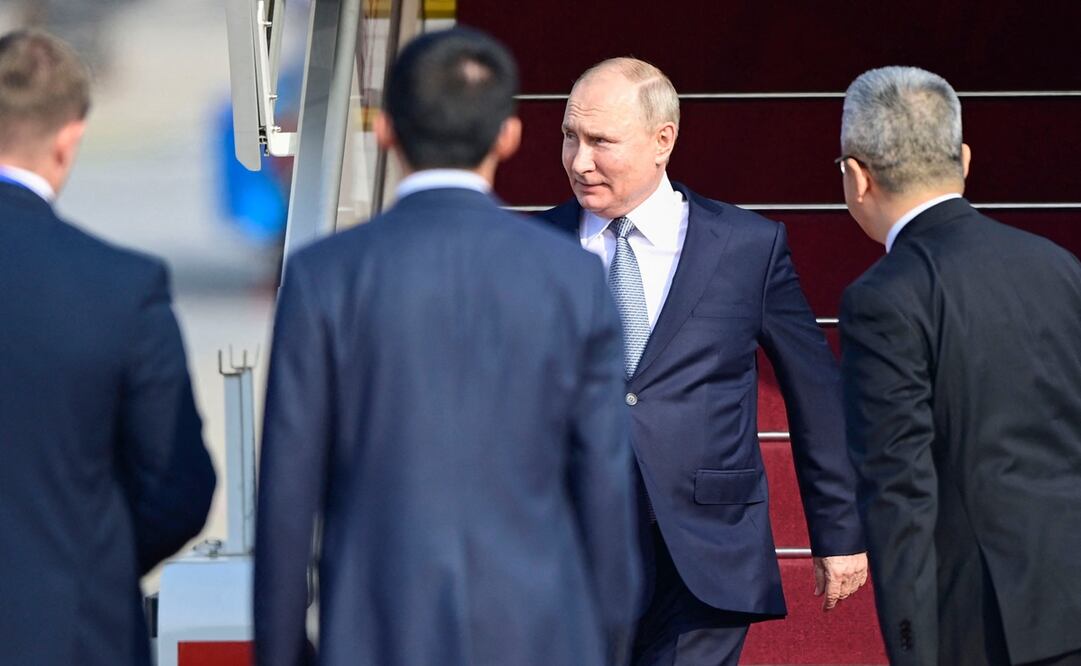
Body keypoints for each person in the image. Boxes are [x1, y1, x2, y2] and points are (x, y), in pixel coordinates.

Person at [253, 28, 641, 666]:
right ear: (508, 136)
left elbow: (288, 493)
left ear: (386, 131)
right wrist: (608, 639)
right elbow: (603, 482)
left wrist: (280, 650)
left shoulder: (326, 275)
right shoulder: (570, 276)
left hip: (375, 632)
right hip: (538, 632)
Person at [539, 57, 868, 665]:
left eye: (601, 141)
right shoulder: (530, 249)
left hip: (705, 550)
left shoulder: (746, 246)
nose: (579, 161)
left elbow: (815, 391)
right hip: (565, 554)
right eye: (569, 136)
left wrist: (839, 531)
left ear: (663, 140)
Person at [838, 66, 1081, 666]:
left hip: (983, 627)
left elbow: (899, 494)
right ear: (964, 159)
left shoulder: (884, 297)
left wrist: (912, 651)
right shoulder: (1057, 266)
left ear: (856, 176)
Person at [0, 30, 216, 666]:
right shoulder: (122, 287)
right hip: (71, 634)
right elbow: (179, 486)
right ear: (70, 138)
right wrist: (90, 560)